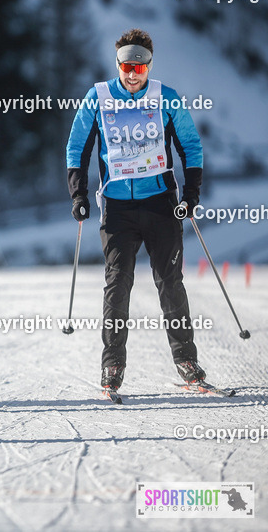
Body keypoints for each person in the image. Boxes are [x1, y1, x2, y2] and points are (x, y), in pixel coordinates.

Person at [65, 28, 208, 394]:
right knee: (118, 282)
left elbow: (190, 146)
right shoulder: (97, 98)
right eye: (127, 66)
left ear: (149, 67)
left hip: (160, 203)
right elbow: (76, 148)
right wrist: (78, 194)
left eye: (140, 68)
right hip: (116, 207)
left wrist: (190, 195)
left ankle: (185, 360)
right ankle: (112, 364)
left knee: (169, 281)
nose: (133, 74)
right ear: (118, 65)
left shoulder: (167, 98)